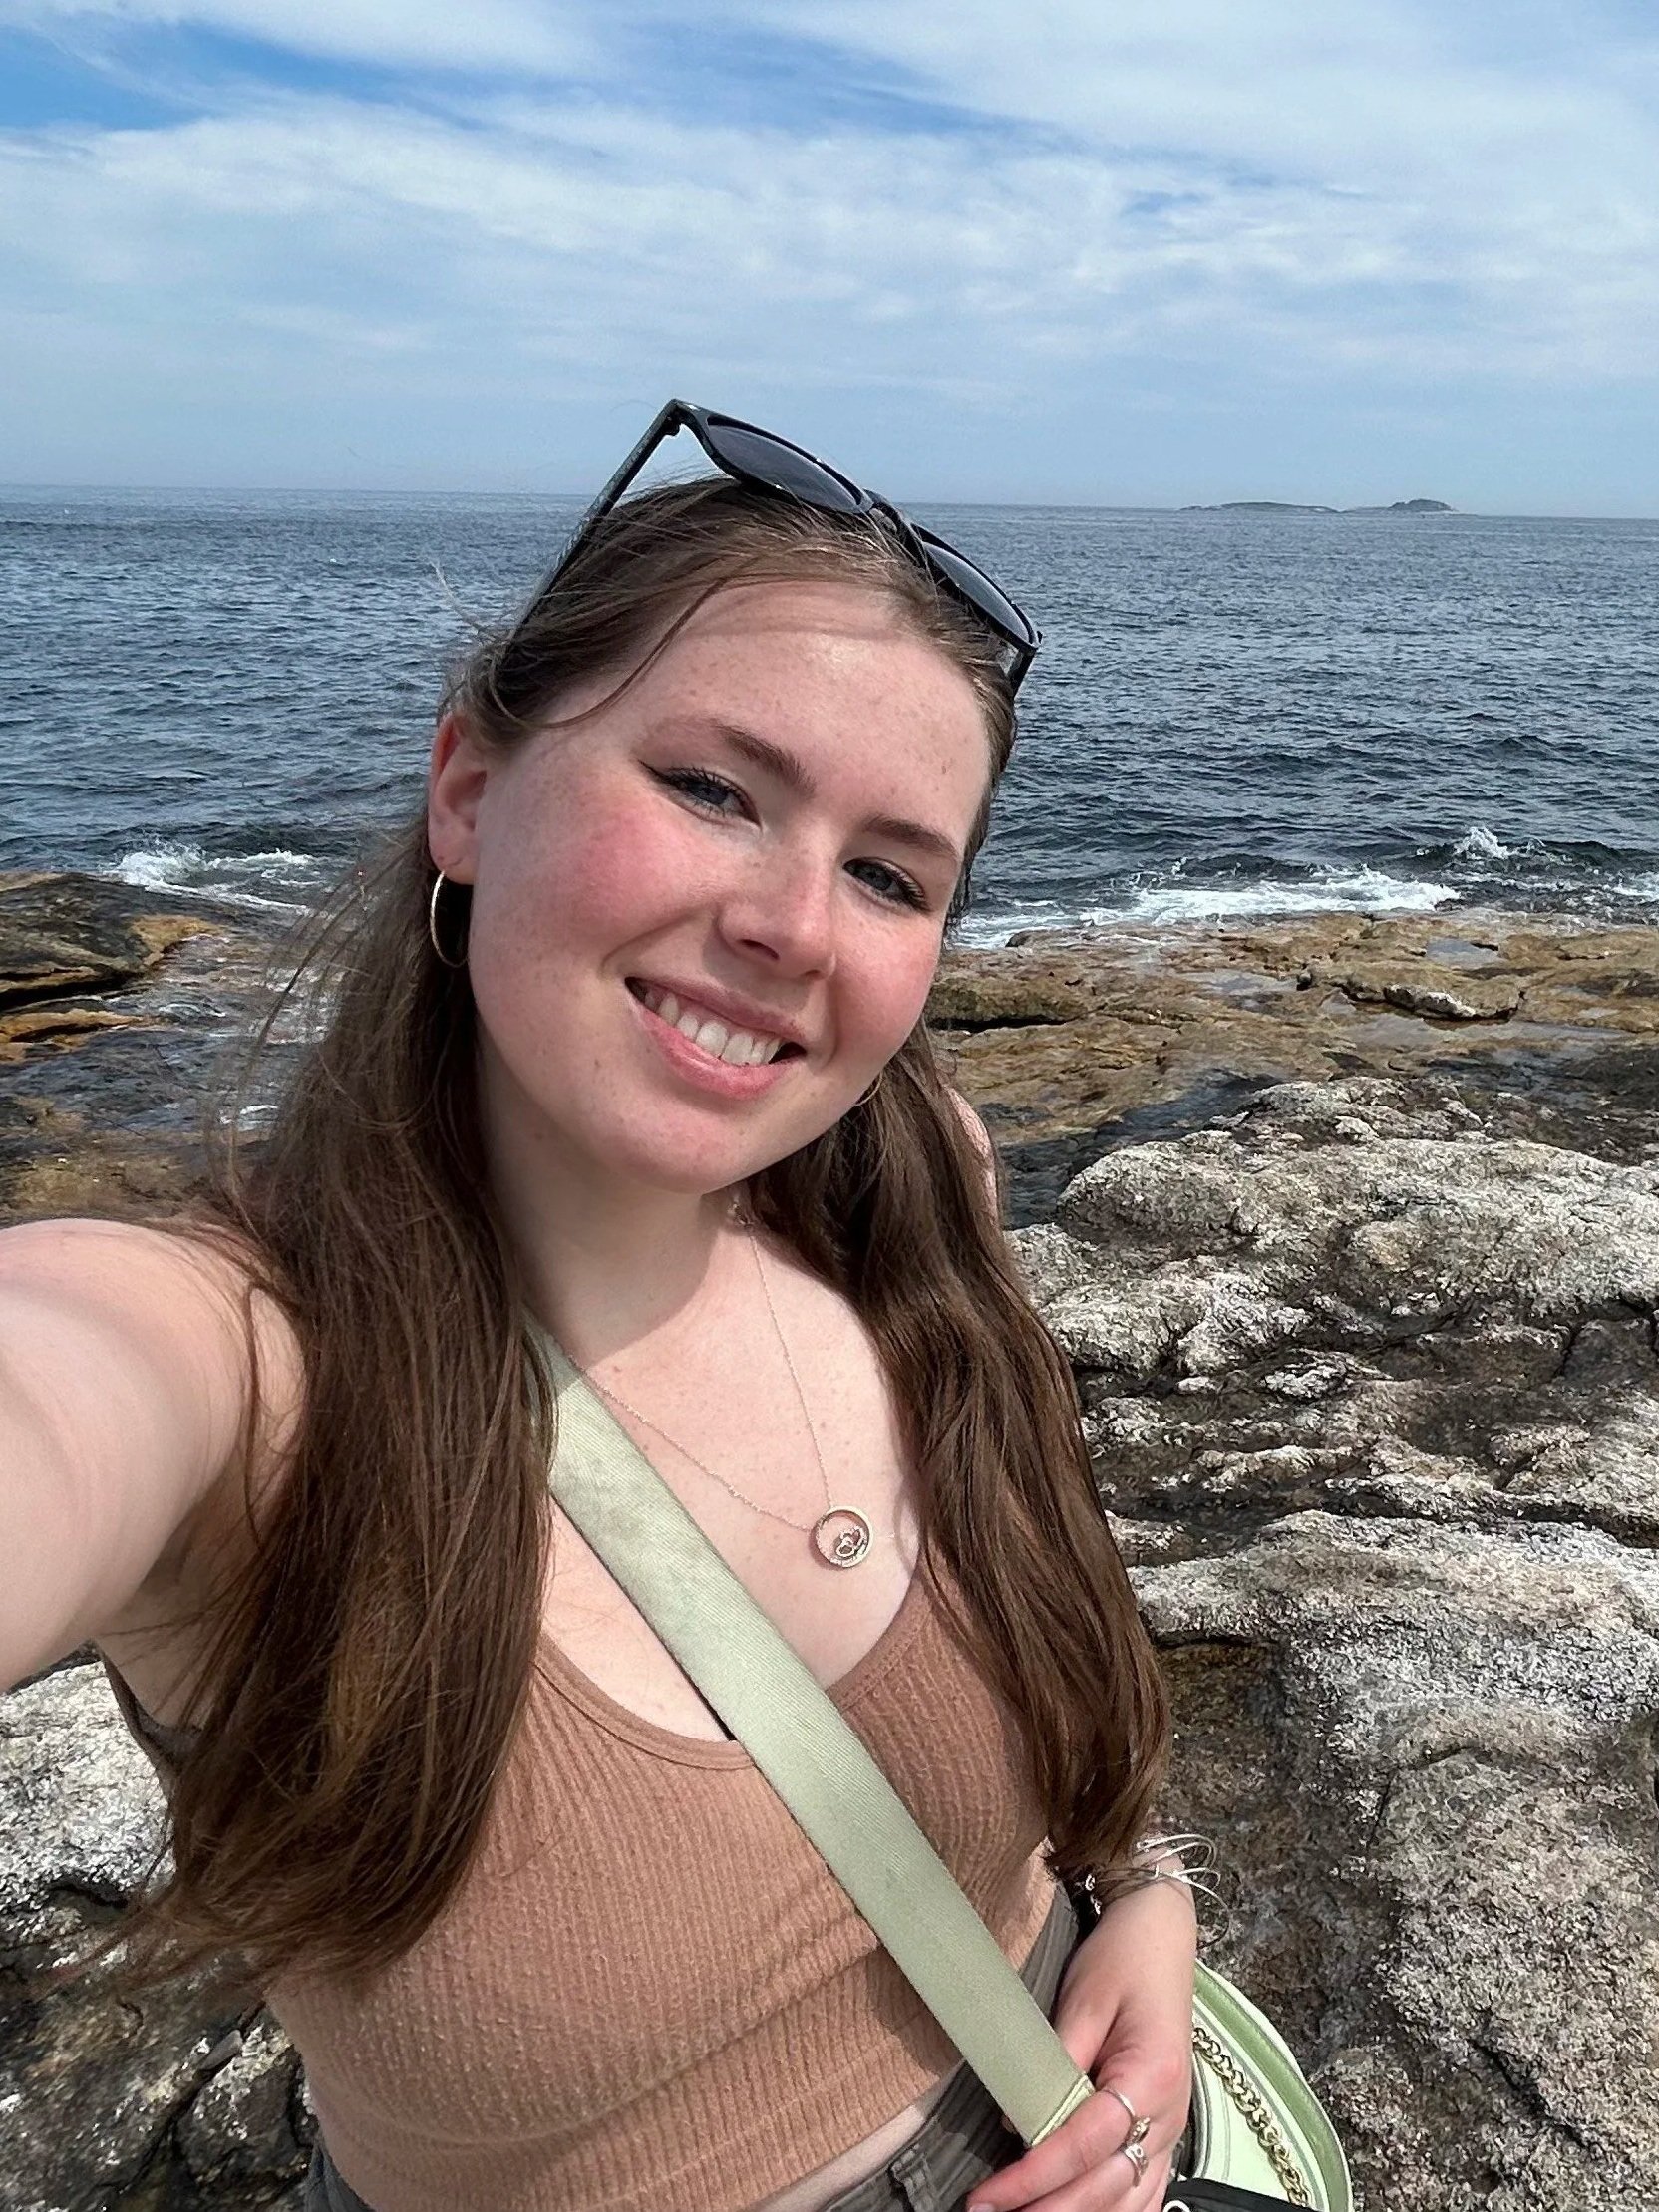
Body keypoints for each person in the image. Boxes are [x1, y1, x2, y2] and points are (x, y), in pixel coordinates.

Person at [0, 402, 1199, 2212]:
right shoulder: (235, 1358)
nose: (797, 923)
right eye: (715, 787)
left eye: (891, 873)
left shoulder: (920, 1191)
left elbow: (1041, 1640)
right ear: (470, 789)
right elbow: (56, 1393)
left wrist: (1139, 1889)